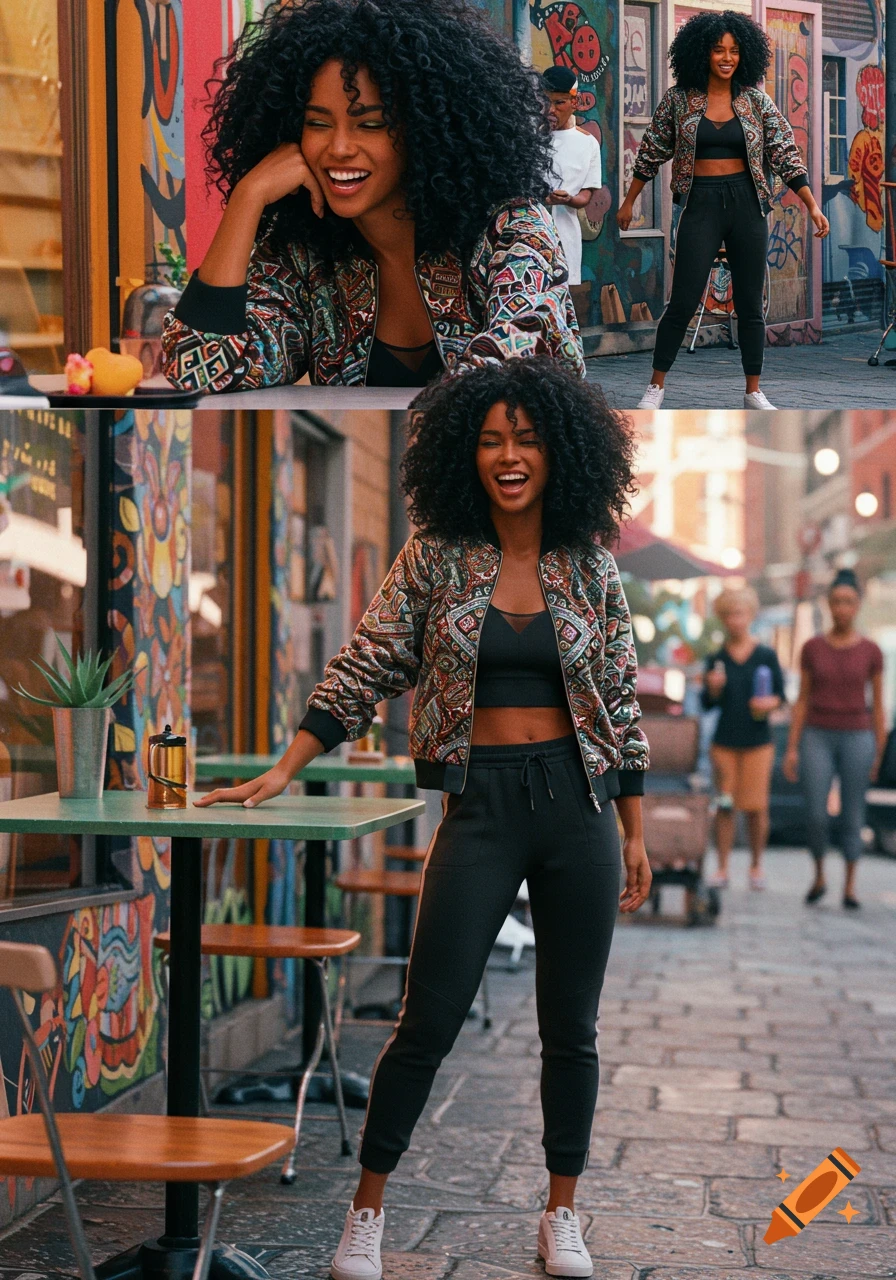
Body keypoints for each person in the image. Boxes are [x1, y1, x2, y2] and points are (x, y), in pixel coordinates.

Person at [196, 357, 651, 1280]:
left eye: (525, 438)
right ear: (463, 453)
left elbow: (619, 699)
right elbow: (365, 663)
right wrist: (285, 766)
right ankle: (365, 1213)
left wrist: (636, 833)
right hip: (479, 804)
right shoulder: (435, 556)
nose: (508, 456)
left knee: (573, 1027)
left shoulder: (590, 565)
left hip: (580, 807)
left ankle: (562, 1214)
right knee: (426, 1020)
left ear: (560, 449)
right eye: (490, 440)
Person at [161, 0, 584, 391]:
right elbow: (196, 369)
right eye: (318, 124)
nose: (339, 148)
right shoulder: (306, 258)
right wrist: (247, 199)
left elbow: (523, 373)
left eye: (371, 124)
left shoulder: (510, 229)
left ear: (426, 130)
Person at [615, 10, 830, 411]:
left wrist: (812, 207)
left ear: (744, 55)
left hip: (747, 204)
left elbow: (784, 153)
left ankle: (753, 391)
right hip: (700, 204)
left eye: (734, 51)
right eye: (718, 50)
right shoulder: (679, 100)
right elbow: (651, 151)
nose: (727, 58)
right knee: (683, 299)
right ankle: (656, 387)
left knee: (750, 302)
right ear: (703, 53)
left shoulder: (755, 102)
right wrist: (629, 202)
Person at [783, 569, 887, 910]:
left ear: (858, 606)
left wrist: (880, 752)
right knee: (815, 812)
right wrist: (792, 747)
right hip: (817, 733)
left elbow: (879, 705)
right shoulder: (812, 648)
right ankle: (818, 875)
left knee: (854, 813)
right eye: (837, 601)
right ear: (828, 604)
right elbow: (801, 700)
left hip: (858, 735)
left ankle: (851, 886)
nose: (842, 608)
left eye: (849, 602)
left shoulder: (871, 651)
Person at [701, 587, 785, 890]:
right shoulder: (717, 659)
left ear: (750, 615)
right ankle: (722, 867)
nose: (735, 620)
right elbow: (707, 704)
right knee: (725, 805)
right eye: (729, 615)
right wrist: (713, 688)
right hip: (724, 743)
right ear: (723, 619)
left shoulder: (765, 655)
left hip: (759, 742)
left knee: (757, 807)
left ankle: (756, 866)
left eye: (740, 613)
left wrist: (769, 703)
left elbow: (781, 697)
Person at [543, 66, 602, 287]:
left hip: (564, 236)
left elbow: (586, 195)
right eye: (546, 101)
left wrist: (567, 199)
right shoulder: (529, 137)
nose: (551, 109)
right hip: (525, 233)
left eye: (559, 103)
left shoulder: (587, 144)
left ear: (574, 103)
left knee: (559, 299)